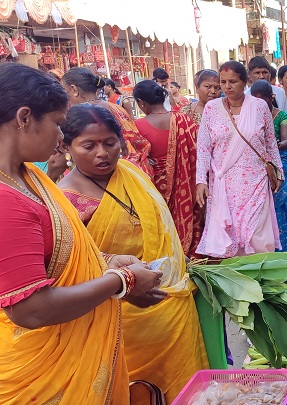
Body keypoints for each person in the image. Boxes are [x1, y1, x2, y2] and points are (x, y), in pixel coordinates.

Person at [0, 62, 163, 404]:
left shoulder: (28, 175)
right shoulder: (6, 200)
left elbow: (54, 254)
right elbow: (30, 309)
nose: (62, 139)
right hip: (36, 373)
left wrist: (104, 260)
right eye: (58, 125)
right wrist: (122, 280)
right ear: (24, 117)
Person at [58, 103, 207, 402]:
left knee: (187, 390)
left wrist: (179, 259)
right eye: (89, 145)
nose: (102, 153)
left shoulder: (131, 173)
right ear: (67, 147)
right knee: (138, 390)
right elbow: (75, 269)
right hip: (123, 318)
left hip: (172, 305)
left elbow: (159, 226)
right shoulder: (66, 202)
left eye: (110, 143)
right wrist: (124, 283)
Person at [195, 61, 283, 258]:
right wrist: (200, 180)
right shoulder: (212, 109)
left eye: (233, 81)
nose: (227, 87)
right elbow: (203, 148)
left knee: (256, 234)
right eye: (223, 82)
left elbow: (270, 143)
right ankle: (236, 281)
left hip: (255, 182)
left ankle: (260, 278)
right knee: (230, 235)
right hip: (224, 184)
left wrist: (278, 171)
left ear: (245, 82)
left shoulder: (259, 107)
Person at [132, 80, 203, 256]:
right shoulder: (184, 120)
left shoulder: (138, 126)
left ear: (141, 103)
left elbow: (134, 160)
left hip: (155, 185)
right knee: (189, 220)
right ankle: (193, 257)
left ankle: (169, 259)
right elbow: (198, 151)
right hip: (185, 181)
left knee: (162, 224)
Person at [63, 67, 154, 176]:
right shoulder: (116, 108)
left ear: (74, 90)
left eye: (65, 91)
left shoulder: (83, 116)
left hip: (111, 175)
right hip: (137, 170)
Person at [251, 79, 287, 251]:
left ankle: (284, 246)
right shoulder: (249, 117)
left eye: (262, 100)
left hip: (281, 163)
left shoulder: (282, 116)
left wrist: (275, 144)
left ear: (271, 98)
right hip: (258, 166)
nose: (259, 104)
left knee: (281, 204)